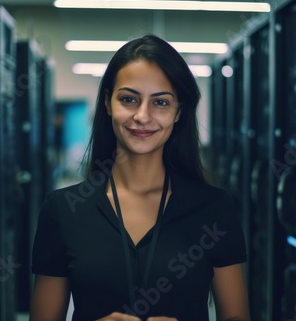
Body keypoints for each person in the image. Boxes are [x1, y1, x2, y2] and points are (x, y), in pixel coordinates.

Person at [30, 34, 250, 321]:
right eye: (129, 99)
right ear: (108, 103)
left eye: (160, 103)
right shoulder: (62, 209)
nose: (142, 116)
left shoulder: (215, 208)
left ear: (179, 112)